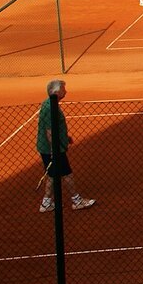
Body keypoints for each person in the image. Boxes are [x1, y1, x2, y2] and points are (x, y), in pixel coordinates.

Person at [37, 79, 95, 212]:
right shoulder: (50, 107)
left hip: (51, 147)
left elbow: (54, 128)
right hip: (53, 148)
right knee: (67, 173)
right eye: (63, 89)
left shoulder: (50, 103)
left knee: (53, 175)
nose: (66, 91)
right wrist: (54, 150)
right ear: (57, 92)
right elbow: (50, 132)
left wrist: (65, 137)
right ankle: (76, 200)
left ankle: (46, 203)